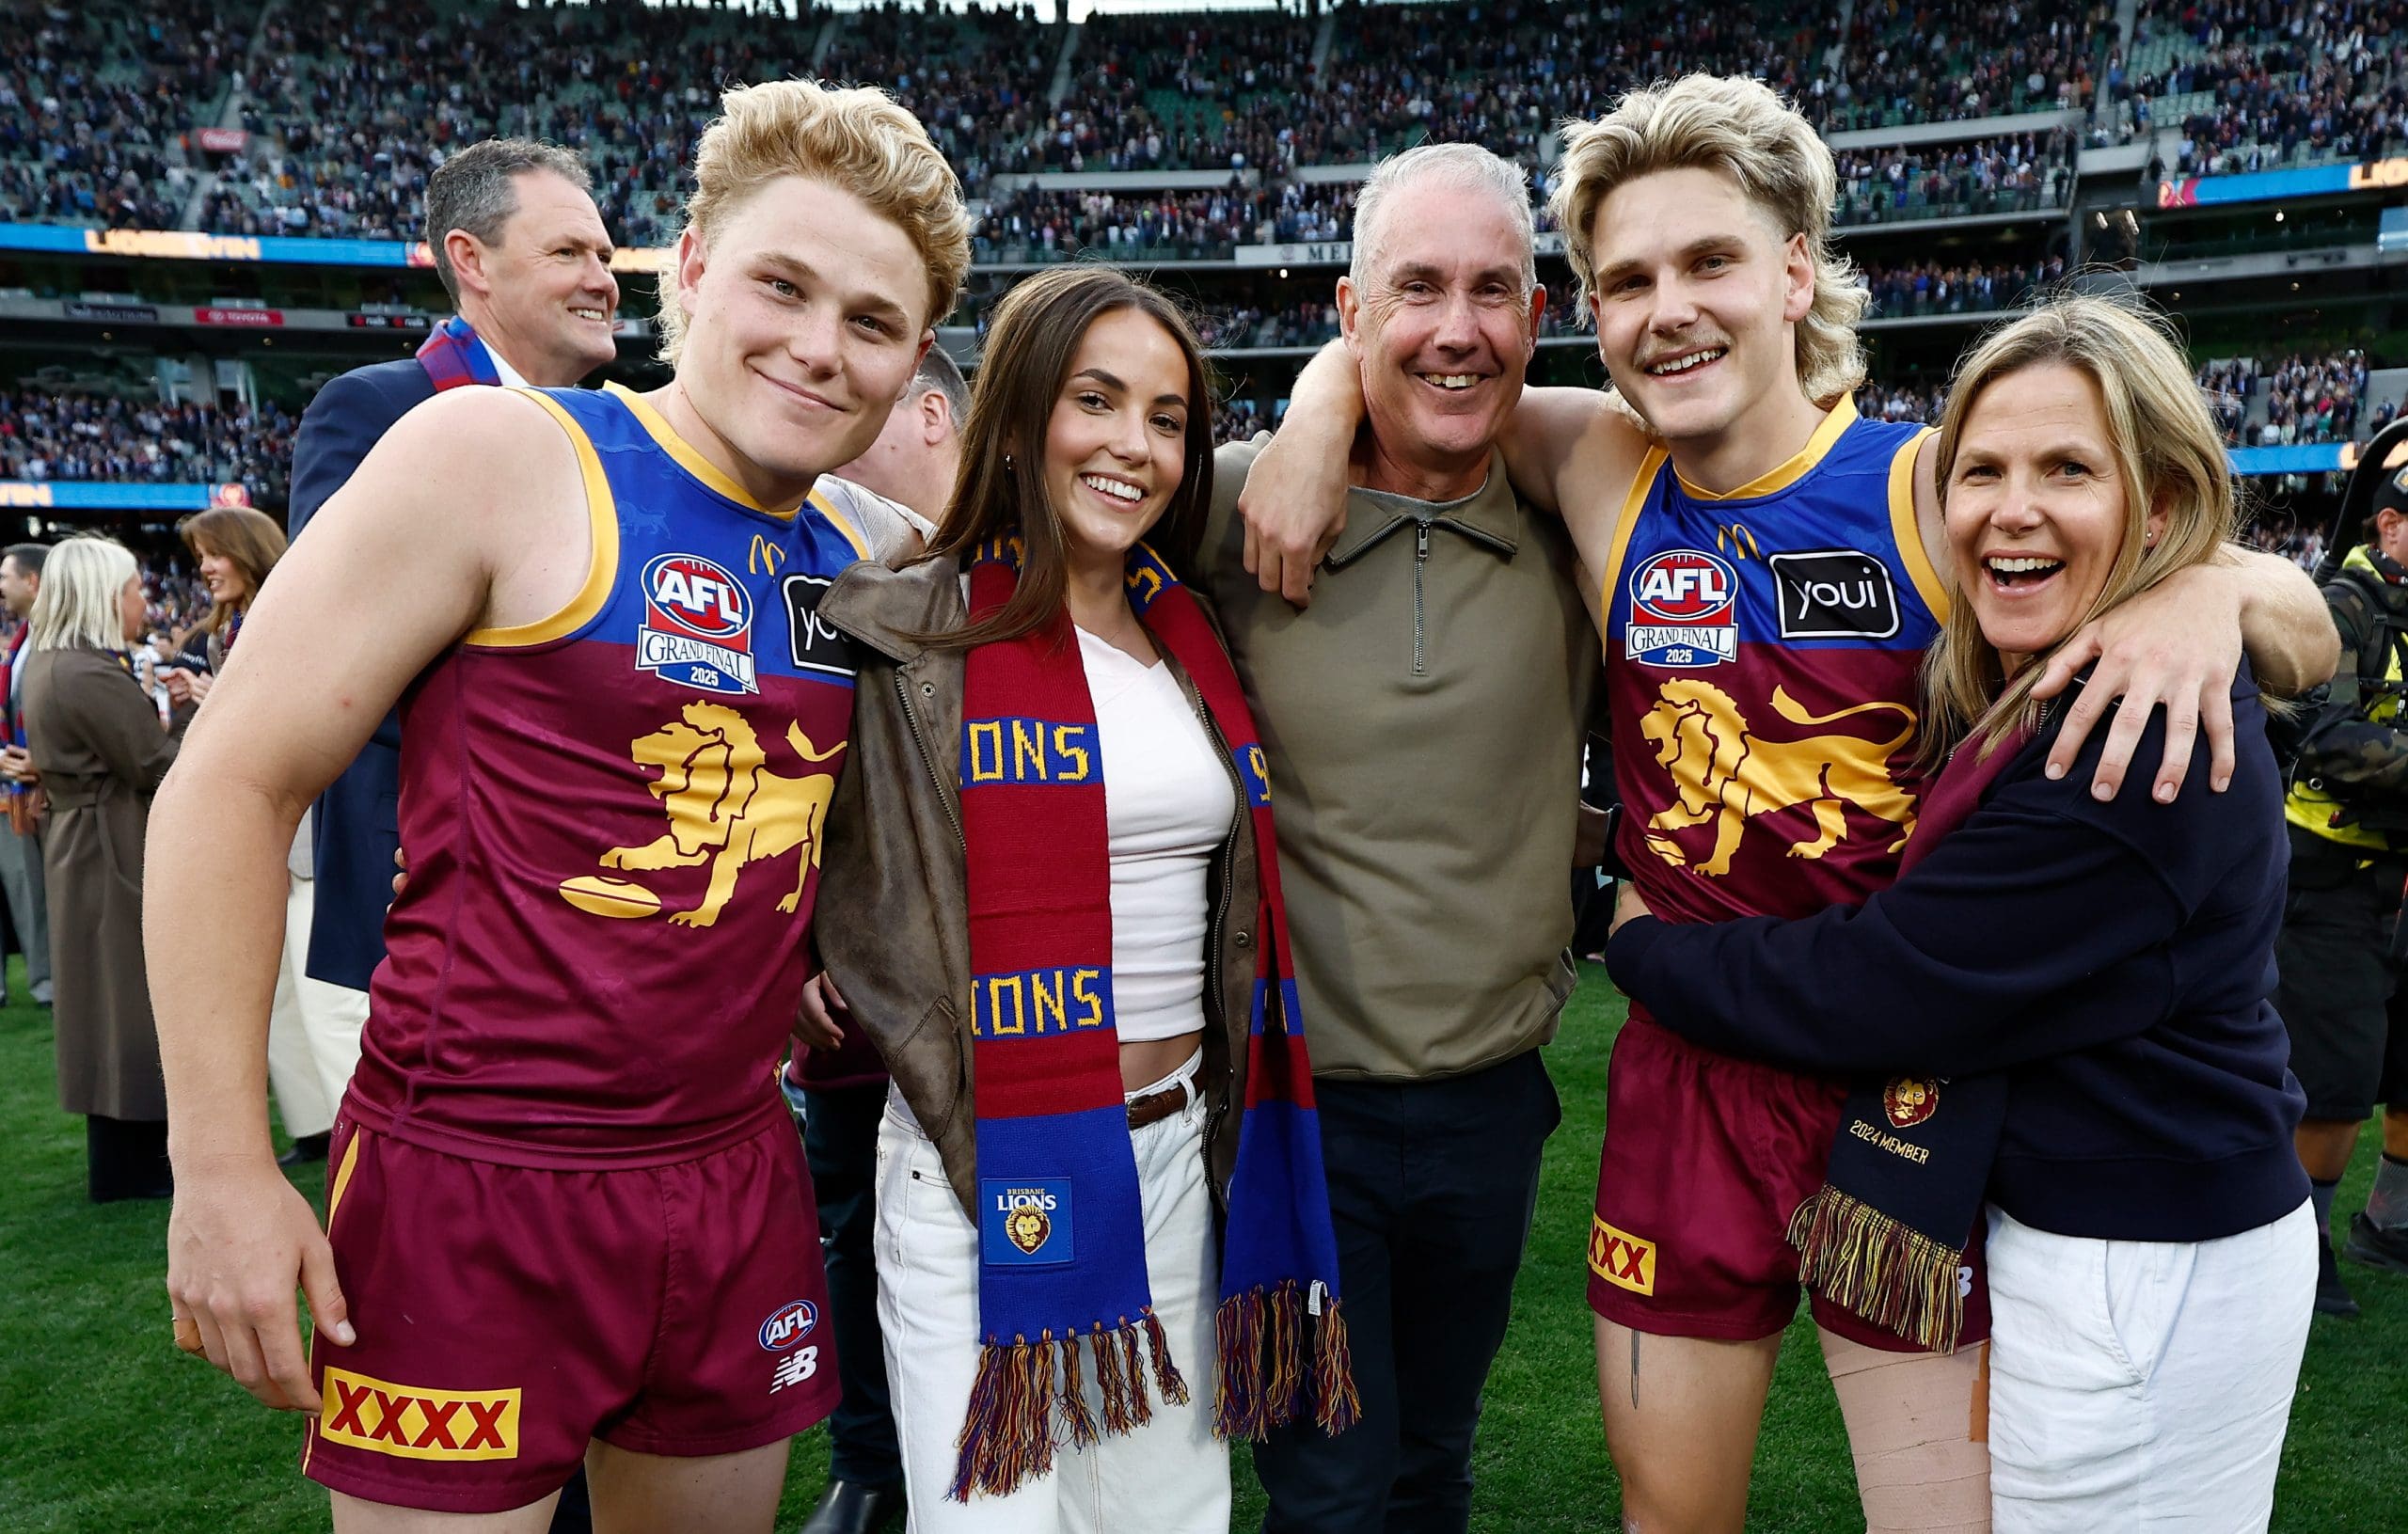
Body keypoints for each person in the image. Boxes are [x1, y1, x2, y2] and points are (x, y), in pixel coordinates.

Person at [1242, 76, 2335, 1534]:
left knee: (1935, 1515)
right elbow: (1417, 364)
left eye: (1710, 262)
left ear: (1798, 270)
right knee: (1672, 1511)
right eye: (1626, 279)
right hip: (1687, 1077)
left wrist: (2214, 586)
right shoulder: (1598, 468)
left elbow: (2297, 620)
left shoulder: (1926, 487)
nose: (1667, 308)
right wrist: (1318, 408)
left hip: (1903, 1082)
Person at [146, 78, 971, 1530]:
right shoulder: (505, 458)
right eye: (783, 284)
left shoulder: (865, 550)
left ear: (913, 365)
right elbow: (231, 778)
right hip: (473, 1178)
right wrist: (216, 1158)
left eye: (872, 321)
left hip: (733, 1176)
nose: (816, 346)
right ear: (696, 266)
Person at [1604, 294, 2316, 1531]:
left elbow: (1880, 986)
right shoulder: (2071, 672)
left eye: (2067, 468)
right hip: (2106, 1224)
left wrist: (1641, 943)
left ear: (2159, 505)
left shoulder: (2134, 731)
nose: (2010, 504)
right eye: (1981, 468)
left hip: (2140, 1257)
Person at [804, 263, 1356, 1533]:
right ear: (1015, 412)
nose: (1134, 445)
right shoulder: (899, 629)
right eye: (1095, 400)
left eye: (1166, 418)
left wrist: (1324, 387)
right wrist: (794, 953)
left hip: (1178, 1149)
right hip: (975, 1154)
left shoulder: (1194, 633)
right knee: (991, 1518)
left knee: (1170, 1518)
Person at [1210, 142, 1600, 1534]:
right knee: (1330, 1496)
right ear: (1350, 308)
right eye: (1415, 287)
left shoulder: (1583, 520)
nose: (1457, 326)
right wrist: (1312, 420)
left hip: (1494, 1103)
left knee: (1434, 1461)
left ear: (1538, 320)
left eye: (1493, 289)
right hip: (1296, 1115)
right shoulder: (1229, 508)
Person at [289, 137, 622, 1007]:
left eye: (604, 255)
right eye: (568, 253)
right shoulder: (377, 409)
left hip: (596, 892)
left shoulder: (621, 432)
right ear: (470, 261)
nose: (602, 279)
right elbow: (326, 659)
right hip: (436, 901)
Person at [786, 343, 967, 1534]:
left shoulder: (1059, 548)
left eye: (866, 420)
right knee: (853, 1224)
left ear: (935, 412)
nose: (832, 444)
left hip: (1032, 1000)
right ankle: (871, 1458)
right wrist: (795, 941)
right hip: (862, 992)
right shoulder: (823, 558)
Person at [178, 506, 369, 1169]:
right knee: (280, 995)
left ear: (247, 552)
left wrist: (220, 708)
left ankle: (367, 1147)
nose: (203, 568)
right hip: (260, 841)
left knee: (329, 1001)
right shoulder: (219, 632)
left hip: (311, 833)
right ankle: (316, 1127)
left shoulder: (298, 618)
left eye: (213, 553)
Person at [2270, 459, 2408, 1314]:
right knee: (2335, 1080)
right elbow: (2323, 731)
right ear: (2390, 526)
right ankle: (2297, 1246)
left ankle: (2389, 1220)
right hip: (2329, 878)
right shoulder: (2341, 607)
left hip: (2393, 878)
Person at [21, 537, 185, 1200]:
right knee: (128, 1000)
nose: (143, 600)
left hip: (87, 838)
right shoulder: (85, 670)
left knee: (106, 997)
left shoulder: (56, 662)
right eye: (134, 588)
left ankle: (126, 1158)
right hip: (110, 842)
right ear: (104, 594)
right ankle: (138, 1162)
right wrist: (201, 708)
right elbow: (153, 760)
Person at [0, 541, 54, 1008]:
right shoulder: (22, 640)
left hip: (49, 788)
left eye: (5, 577)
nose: (1, 588)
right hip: (22, 783)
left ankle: (54, 982)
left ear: (32, 581)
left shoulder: (52, 637)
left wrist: (44, 762)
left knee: (43, 891)